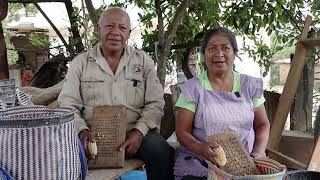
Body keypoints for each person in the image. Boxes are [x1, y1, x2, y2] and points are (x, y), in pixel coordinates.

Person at [58, 7, 174, 180]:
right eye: (109, 26)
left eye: (122, 28)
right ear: (98, 28)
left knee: (162, 153)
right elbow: (68, 105)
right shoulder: (80, 63)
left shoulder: (142, 61)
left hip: (135, 132)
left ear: (128, 33)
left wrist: (139, 132)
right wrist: (81, 131)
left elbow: (156, 102)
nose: (115, 32)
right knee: (63, 159)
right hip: (92, 136)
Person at [174, 27, 270, 180]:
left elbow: (262, 125)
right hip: (200, 163)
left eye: (225, 48)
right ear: (203, 55)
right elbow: (182, 132)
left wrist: (258, 153)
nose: (219, 54)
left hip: (246, 164)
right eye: (211, 49)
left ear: (234, 53)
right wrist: (201, 148)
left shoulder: (249, 86)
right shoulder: (192, 89)